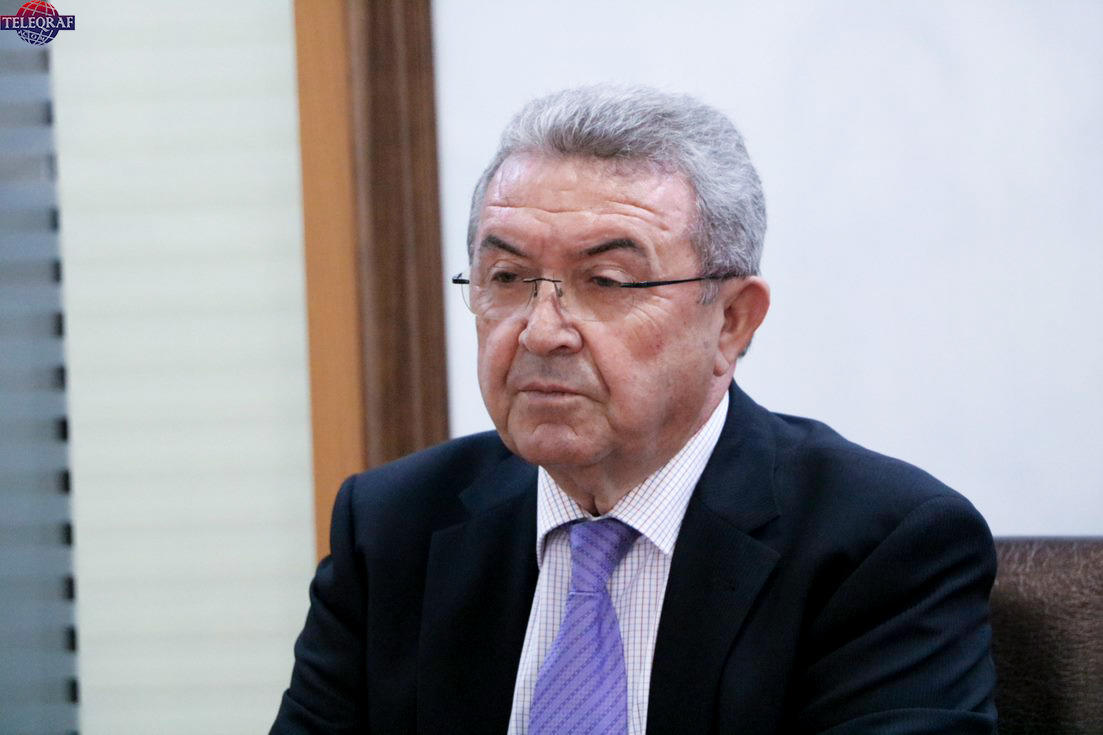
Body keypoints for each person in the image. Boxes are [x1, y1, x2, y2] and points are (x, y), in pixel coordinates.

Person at [271, 85, 997, 734]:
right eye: (507, 277)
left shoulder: (878, 546)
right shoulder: (392, 528)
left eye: (608, 281)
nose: (541, 331)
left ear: (731, 322)